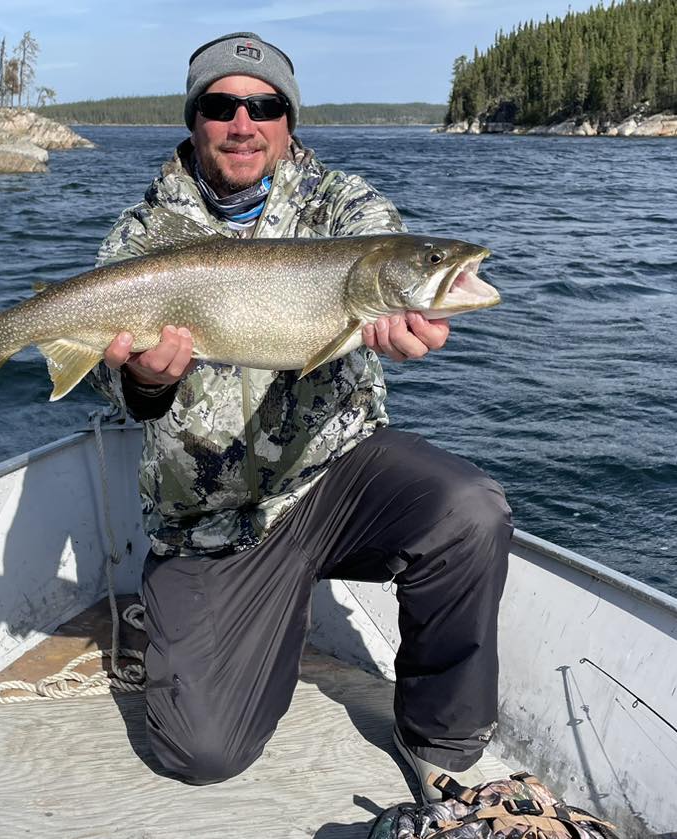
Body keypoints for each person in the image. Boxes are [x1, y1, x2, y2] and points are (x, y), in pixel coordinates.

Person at [89, 32, 512, 802]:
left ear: (288, 119)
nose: (242, 122)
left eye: (264, 105)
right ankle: (246, 609)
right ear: (193, 120)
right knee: (201, 753)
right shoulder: (142, 237)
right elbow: (109, 389)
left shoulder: (346, 210)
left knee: (469, 510)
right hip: (210, 519)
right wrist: (145, 383)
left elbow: (403, 270)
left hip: (335, 475)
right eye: (221, 105)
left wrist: (412, 312)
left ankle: (440, 740)